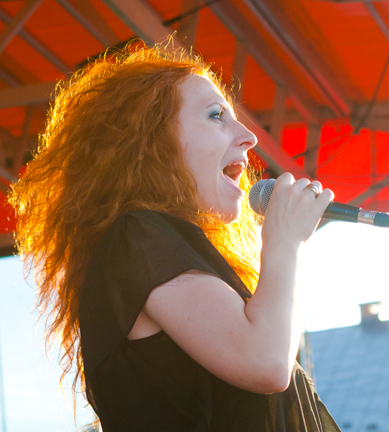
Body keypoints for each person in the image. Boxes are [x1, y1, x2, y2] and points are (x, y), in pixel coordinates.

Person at [10, 43, 340, 431]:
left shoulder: (167, 248)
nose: (249, 136)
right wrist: (284, 242)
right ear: (150, 141)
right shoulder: (137, 240)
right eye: (216, 115)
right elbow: (265, 362)